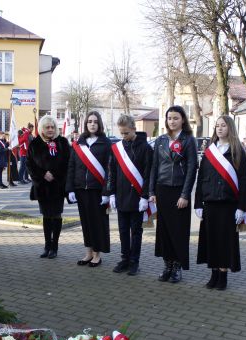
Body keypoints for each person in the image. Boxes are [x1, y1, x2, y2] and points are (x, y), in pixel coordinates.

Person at [194, 115, 246, 290]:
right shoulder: (210, 152)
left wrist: (242, 207)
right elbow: (202, 178)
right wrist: (198, 204)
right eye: (217, 126)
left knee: (225, 241)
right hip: (210, 203)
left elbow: (244, 181)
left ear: (230, 128)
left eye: (223, 126)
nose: (219, 128)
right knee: (211, 240)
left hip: (228, 205)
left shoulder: (237, 151)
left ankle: (223, 276)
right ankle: (214, 274)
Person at [149, 105, 198, 283]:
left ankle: (177, 266)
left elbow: (192, 168)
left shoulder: (188, 140)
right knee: (164, 231)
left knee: (178, 230)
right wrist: (151, 191)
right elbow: (155, 166)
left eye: (176, 118)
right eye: (169, 118)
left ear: (182, 120)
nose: (172, 121)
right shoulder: (161, 140)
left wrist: (185, 195)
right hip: (162, 189)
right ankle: (167, 264)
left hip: (179, 190)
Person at [108, 114, 153, 276]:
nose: (124, 136)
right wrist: (111, 193)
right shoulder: (117, 148)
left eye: (126, 133)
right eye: (121, 133)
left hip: (137, 197)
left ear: (134, 129)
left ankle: (134, 261)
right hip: (121, 196)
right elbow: (112, 172)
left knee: (136, 231)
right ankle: (124, 259)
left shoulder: (146, 148)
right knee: (122, 230)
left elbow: (148, 174)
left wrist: (144, 196)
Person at [66, 110, 112, 267]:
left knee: (97, 222)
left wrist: (107, 192)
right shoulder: (79, 143)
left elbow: (109, 170)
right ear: (86, 124)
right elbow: (71, 167)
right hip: (81, 189)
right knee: (85, 222)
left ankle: (97, 254)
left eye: (95, 121)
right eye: (90, 121)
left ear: (99, 124)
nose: (92, 124)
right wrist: (70, 189)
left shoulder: (105, 143)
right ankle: (88, 252)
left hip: (97, 190)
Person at [27, 116, 70, 259]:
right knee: (46, 216)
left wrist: (55, 175)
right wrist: (43, 174)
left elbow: (67, 163)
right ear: (42, 129)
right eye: (47, 127)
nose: (50, 129)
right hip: (42, 187)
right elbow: (30, 165)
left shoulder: (62, 142)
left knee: (56, 215)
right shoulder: (35, 144)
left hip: (58, 186)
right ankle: (47, 246)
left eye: (52, 127)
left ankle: (54, 247)